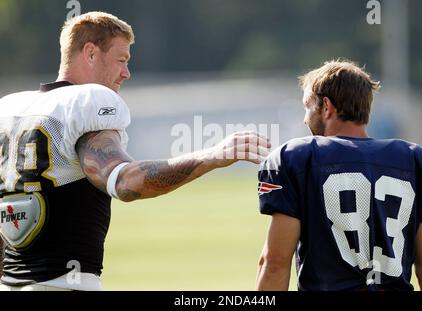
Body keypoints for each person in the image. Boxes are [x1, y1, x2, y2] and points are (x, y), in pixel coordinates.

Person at [0, 11, 270, 291]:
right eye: (122, 60)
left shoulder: (10, 110)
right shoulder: (87, 101)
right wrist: (212, 156)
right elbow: (127, 183)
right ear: (90, 53)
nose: (126, 73)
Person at [256, 60, 422, 291]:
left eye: (307, 107)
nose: (305, 118)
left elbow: (274, 264)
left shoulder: (296, 158)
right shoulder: (419, 161)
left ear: (326, 106)